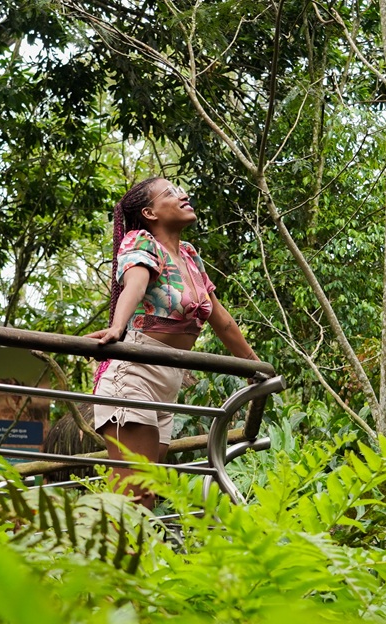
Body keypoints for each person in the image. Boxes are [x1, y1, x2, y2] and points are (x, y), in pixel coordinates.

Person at [85, 177, 259, 508]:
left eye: (180, 191)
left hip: (169, 384)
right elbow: (134, 284)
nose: (183, 195)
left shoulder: (190, 256)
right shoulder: (142, 243)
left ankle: (129, 559)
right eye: (170, 193)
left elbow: (219, 318)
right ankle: (104, 559)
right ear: (149, 212)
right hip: (135, 374)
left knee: (147, 498)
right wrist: (116, 328)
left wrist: (254, 367)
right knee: (133, 499)